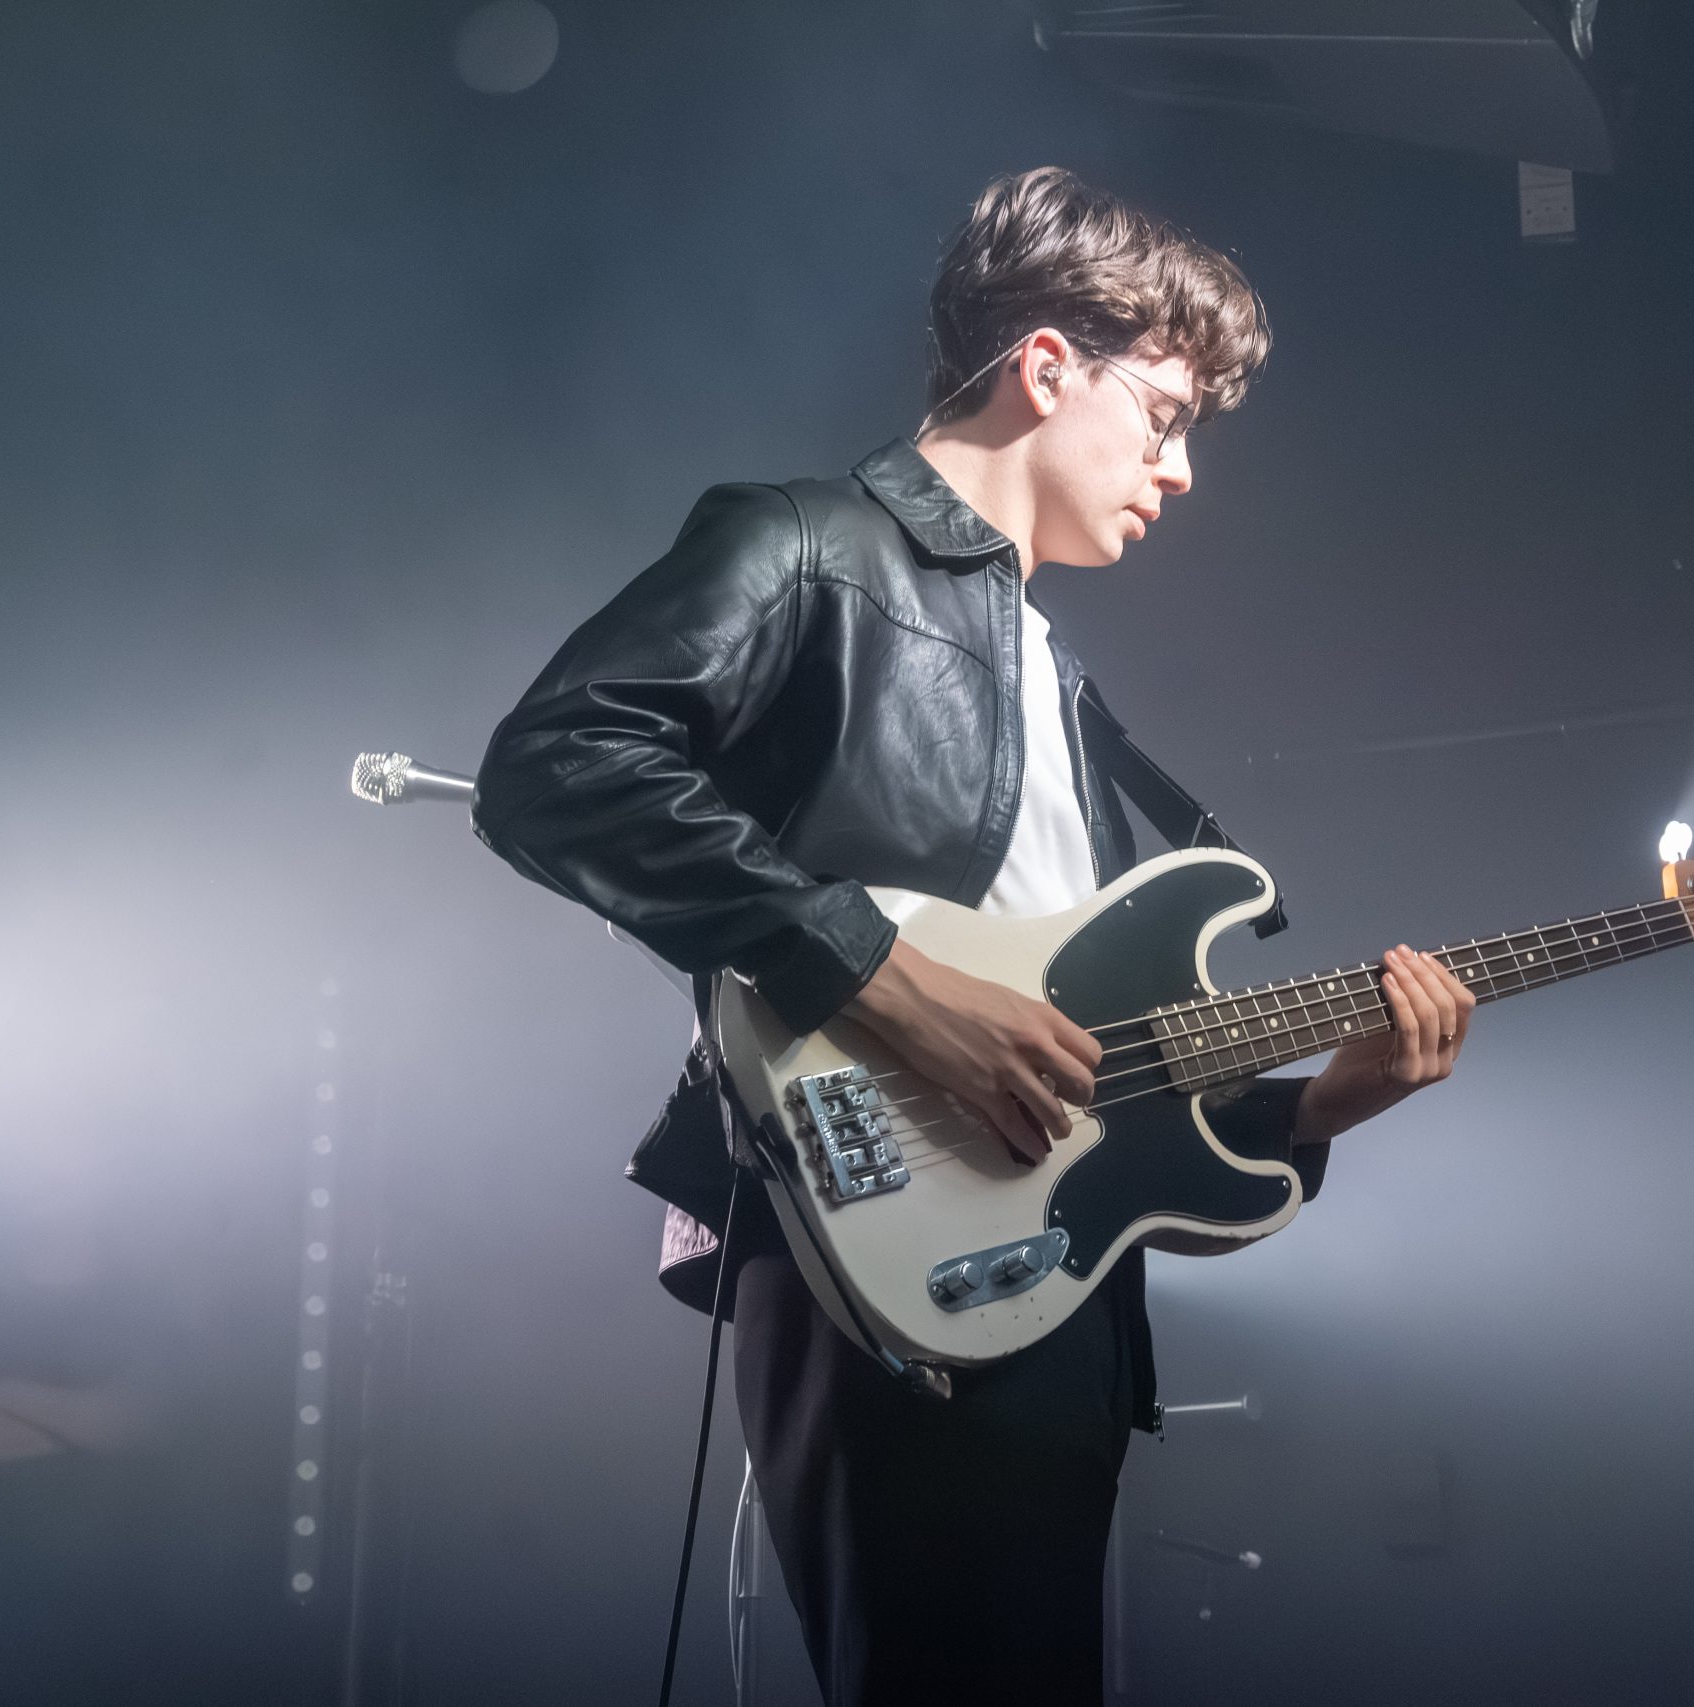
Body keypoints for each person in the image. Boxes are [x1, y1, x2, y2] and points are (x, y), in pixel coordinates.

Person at [473, 166, 1475, 1704]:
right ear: (1048, 365)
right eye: (1166, 414)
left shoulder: (1061, 686)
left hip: (1048, 1292)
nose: (1182, 469)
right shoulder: (813, 545)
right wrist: (880, 978)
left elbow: (1086, 1078)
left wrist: (1316, 1110)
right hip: (861, 1233)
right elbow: (556, 764)